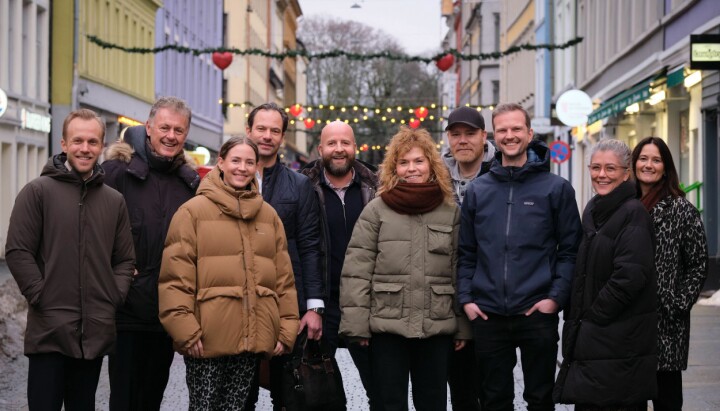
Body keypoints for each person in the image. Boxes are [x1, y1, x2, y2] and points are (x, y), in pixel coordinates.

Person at [5, 109, 135, 410]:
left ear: (102, 146)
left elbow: (125, 259)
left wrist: (112, 296)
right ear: (64, 144)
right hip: (49, 330)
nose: (85, 148)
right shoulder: (37, 192)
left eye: (92, 141)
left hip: (93, 332)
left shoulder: (113, 201)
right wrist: (41, 294)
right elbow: (18, 250)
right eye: (78, 140)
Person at [158, 136, 299, 410]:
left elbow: (283, 279)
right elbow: (175, 279)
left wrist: (286, 330)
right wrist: (185, 330)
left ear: (257, 167)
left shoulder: (268, 216)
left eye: (249, 162)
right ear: (221, 162)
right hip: (205, 340)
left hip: (251, 338)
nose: (242, 168)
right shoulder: (192, 212)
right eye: (235, 160)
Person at [457, 103, 582, 411]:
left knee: (540, 399)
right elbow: (466, 251)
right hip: (487, 314)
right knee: (494, 400)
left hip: (537, 311)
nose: (509, 136)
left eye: (516, 129)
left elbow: (570, 251)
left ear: (529, 133)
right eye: (502, 130)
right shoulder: (478, 191)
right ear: (492, 136)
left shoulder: (556, 189)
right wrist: (467, 300)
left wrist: (554, 299)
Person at [340, 126, 471, 411]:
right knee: (388, 403)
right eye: (404, 162)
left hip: (436, 327)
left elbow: (460, 269)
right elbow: (357, 270)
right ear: (394, 168)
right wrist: (357, 326)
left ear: (432, 165)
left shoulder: (451, 211)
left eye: (419, 161)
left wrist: (462, 327)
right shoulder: (376, 210)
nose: (412, 168)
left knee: (432, 402)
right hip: (386, 327)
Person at [102, 97, 200, 411]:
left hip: (167, 313)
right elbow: (91, 229)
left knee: (151, 399)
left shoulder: (189, 184)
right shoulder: (116, 173)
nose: (171, 135)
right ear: (148, 127)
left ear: (186, 134)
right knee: (124, 399)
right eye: (165, 128)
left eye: (178, 130)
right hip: (126, 312)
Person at [554, 138, 657, 410]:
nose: (602, 174)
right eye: (596, 167)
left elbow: (630, 277)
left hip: (617, 338)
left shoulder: (633, 213)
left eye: (611, 168)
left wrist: (592, 316)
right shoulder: (594, 208)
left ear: (626, 173)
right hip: (596, 340)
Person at [244, 102, 323, 410]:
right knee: (241, 395)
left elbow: (309, 245)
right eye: (261, 128)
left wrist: (314, 306)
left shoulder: (299, 185)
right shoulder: (229, 178)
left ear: (282, 137)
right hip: (239, 304)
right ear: (248, 130)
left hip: (285, 303)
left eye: (274, 130)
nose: (267, 136)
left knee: (289, 395)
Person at [300, 120, 379, 409]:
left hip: (368, 304)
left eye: (345, 143)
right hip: (324, 303)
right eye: (332, 143)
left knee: (381, 391)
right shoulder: (304, 186)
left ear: (354, 147)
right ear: (320, 148)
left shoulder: (377, 186)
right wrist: (311, 304)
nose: (339, 149)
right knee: (319, 394)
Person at [631, 137, 709, 411]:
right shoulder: (623, 205)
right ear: (634, 163)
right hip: (627, 323)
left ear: (666, 167)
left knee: (667, 400)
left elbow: (699, 263)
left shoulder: (681, 209)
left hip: (665, 323)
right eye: (643, 158)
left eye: (656, 160)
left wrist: (678, 304)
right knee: (630, 400)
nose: (648, 165)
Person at [442, 106, 495, 411]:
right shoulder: (434, 178)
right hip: (450, 297)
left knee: (493, 388)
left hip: (492, 295)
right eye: (456, 134)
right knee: (460, 388)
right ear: (448, 138)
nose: (463, 140)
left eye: (470, 133)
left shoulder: (502, 171)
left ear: (483, 136)